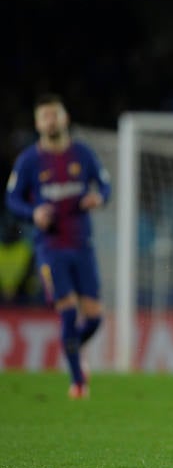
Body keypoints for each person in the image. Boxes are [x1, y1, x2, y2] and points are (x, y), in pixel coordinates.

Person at [5, 94, 112, 398]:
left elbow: (105, 184)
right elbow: (12, 198)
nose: (51, 121)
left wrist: (100, 198)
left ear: (65, 118)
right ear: (38, 124)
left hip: (82, 245)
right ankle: (78, 382)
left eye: (55, 115)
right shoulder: (29, 161)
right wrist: (33, 213)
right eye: (45, 117)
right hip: (50, 247)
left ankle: (73, 350)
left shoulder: (83, 154)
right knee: (67, 312)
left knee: (94, 317)